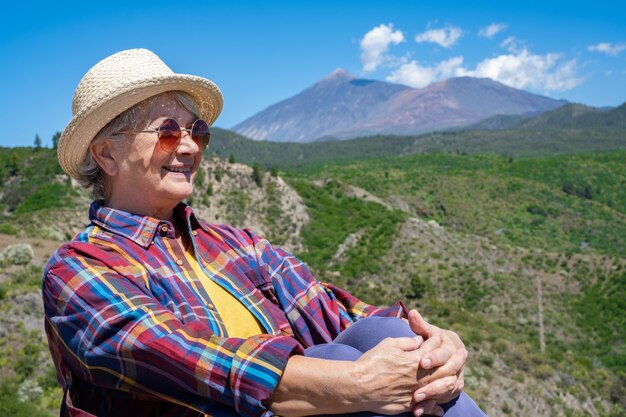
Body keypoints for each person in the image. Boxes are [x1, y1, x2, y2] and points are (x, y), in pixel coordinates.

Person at [43, 49, 487, 417]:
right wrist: (354, 383)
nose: (190, 145)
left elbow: (331, 312)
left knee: (387, 336)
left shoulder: (240, 245)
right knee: (335, 363)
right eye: (167, 132)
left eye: (197, 131)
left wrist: (432, 347)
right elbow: (186, 358)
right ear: (106, 154)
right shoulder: (79, 269)